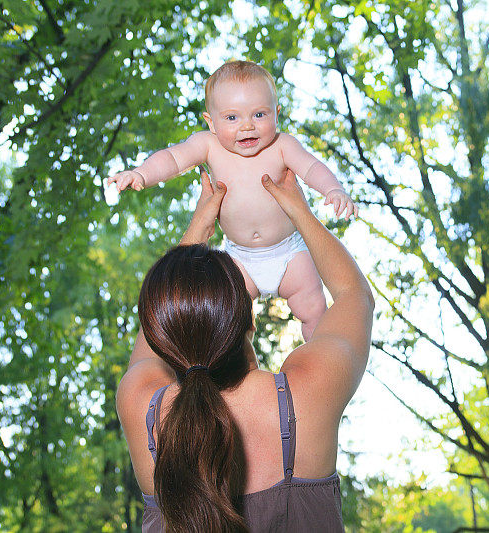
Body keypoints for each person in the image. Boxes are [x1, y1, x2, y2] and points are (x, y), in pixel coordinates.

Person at [116, 166, 374, 532]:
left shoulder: (143, 410)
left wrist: (198, 232)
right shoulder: (306, 394)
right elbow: (355, 296)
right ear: (249, 321)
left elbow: (159, 327)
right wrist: (299, 210)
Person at [107, 61, 358, 340]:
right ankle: (240, 374)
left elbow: (312, 168)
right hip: (239, 257)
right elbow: (173, 158)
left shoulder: (282, 145)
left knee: (314, 310)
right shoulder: (208, 146)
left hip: (289, 252)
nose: (247, 126)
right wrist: (142, 173)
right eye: (231, 118)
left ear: (277, 113)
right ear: (211, 123)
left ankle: (317, 360)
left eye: (259, 114)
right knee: (229, 325)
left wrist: (333, 189)